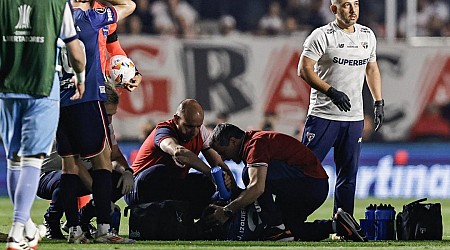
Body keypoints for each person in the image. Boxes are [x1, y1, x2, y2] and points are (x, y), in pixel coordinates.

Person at [0, 0, 86, 249]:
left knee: (14, 158)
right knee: (32, 159)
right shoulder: (57, 5)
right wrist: (80, 78)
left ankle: (26, 225)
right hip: (43, 89)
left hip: (7, 90)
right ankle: (18, 230)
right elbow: (76, 51)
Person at [56, 0, 135, 244]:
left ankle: (74, 230)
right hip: (87, 98)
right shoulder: (94, 17)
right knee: (103, 164)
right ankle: (103, 230)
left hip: (58, 102)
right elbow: (129, 5)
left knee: (69, 168)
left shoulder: (54, 19)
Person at [206, 123, 367, 242]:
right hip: (311, 185)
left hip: (310, 185)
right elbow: (256, 189)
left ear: (233, 141)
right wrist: (234, 189)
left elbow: (257, 188)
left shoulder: (255, 145)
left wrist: (227, 211)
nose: (224, 158)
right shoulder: (255, 141)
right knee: (290, 231)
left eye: (222, 152)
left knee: (249, 175)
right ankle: (338, 226)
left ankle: (275, 226)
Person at [297, 0, 384, 216]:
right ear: (334, 9)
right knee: (303, 171)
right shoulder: (322, 35)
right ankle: (290, 221)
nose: (353, 9)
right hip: (323, 115)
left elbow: (371, 69)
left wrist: (378, 101)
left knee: (348, 174)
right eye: (346, 5)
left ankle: (344, 225)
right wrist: (331, 91)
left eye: (356, 4)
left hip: (353, 118)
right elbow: (304, 69)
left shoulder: (367, 35)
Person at [37, 84, 134, 240]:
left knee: (117, 179)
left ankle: (84, 217)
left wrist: (127, 171)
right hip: (47, 176)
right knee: (69, 180)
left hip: (79, 175)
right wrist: (103, 200)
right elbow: (74, 165)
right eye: (107, 114)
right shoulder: (76, 122)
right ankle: (52, 219)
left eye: (112, 115)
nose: (109, 120)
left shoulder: (105, 125)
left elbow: (115, 155)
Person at [125, 99, 237, 219]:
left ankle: (194, 223)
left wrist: (235, 193)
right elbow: (178, 152)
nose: (194, 132)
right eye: (189, 126)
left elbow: (218, 163)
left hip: (169, 185)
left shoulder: (201, 132)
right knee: (159, 171)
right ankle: (167, 217)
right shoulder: (164, 131)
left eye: (198, 126)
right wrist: (210, 173)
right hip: (137, 188)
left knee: (204, 183)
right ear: (176, 119)